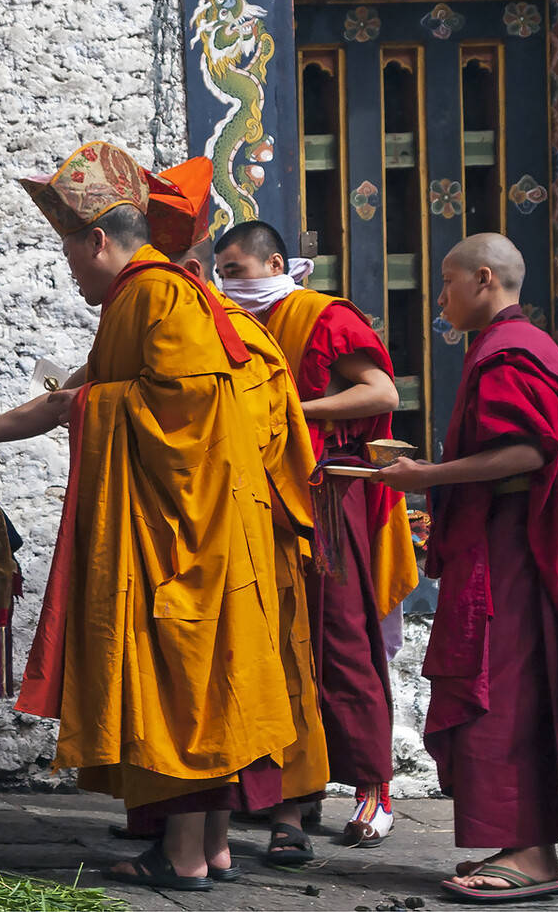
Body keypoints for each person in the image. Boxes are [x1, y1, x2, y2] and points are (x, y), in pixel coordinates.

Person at [0, 142, 294, 891]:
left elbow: (185, 406)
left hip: (184, 530)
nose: (69, 271)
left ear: (98, 238)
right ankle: (210, 846)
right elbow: (77, 393)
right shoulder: (144, 298)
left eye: (70, 252)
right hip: (189, 522)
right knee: (199, 678)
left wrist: (93, 407)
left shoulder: (155, 294)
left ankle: (185, 854)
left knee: (184, 681)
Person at [371, 232, 558, 904]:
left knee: (510, 692)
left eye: (448, 282)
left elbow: (529, 450)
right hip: (517, 541)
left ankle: (530, 853)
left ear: (485, 279)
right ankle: (529, 847)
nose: (440, 298)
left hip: (520, 549)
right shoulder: (522, 346)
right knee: (518, 689)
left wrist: (425, 475)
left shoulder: (508, 352)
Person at [144, 160, 329, 864]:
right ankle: (216, 842)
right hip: (254, 528)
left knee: (199, 681)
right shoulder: (249, 334)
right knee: (235, 676)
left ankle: (197, 847)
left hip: (208, 529)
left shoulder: (199, 326)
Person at [214, 220, 420, 848]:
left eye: (238, 271)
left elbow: (379, 391)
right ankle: (284, 796)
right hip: (252, 500)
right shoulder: (225, 320)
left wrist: (291, 408)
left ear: (276, 262)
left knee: (340, 644)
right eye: (221, 273)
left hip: (324, 499)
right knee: (268, 648)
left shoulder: (320, 317)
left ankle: (373, 789)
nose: (228, 284)